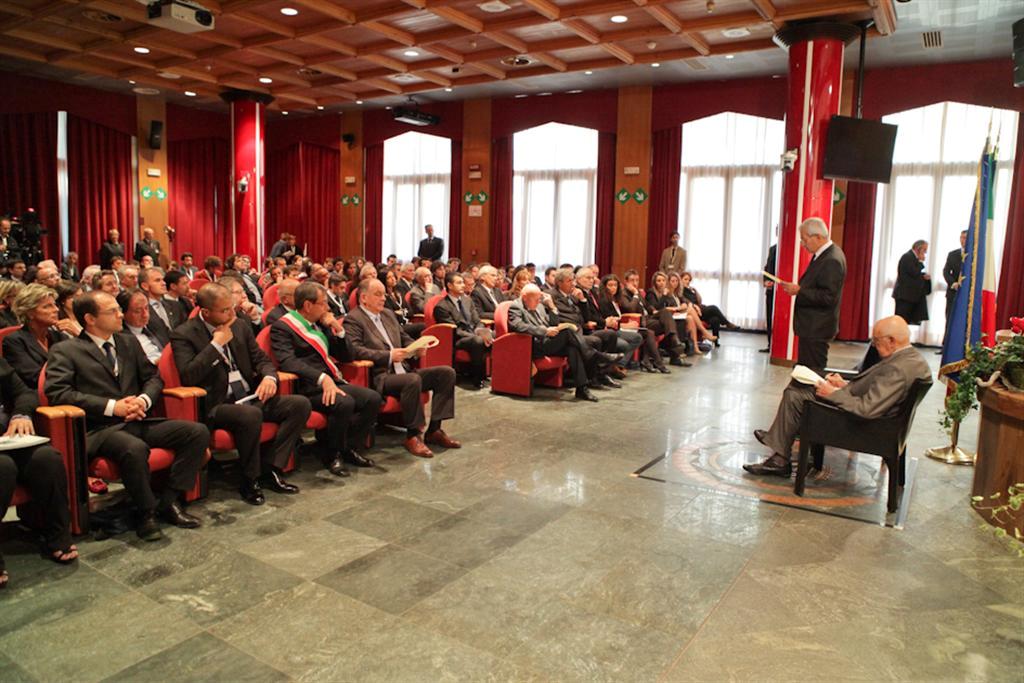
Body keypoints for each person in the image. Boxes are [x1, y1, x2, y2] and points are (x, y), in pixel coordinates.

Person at [45, 291, 210, 541]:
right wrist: (113, 407)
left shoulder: (127, 342)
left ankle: (169, 500)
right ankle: (146, 513)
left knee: (196, 432)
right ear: (90, 318)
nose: (120, 315)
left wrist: (143, 400)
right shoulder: (66, 350)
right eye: (112, 311)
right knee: (134, 448)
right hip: (101, 428)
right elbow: (58, 393)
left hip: (137, 417)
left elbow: (153, 378)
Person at [171, 283, 312, 505]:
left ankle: (270, 467)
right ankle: (250, 479)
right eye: (224, 310)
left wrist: (269, 377)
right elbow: (189, 375)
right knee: (250, 415)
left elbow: (261, 360)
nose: (231, 313)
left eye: (232, 307)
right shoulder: (184, 334)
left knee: (299, 404)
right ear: (205, 312)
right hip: (216, 404)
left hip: (248, 396)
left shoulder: (239, 326)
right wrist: (216, 345)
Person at [744, 316, 931, 477]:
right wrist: (846, 386)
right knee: (800, 386)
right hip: (882, 420)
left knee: (794, 396)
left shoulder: (898, 369)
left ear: (891, 340)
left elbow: (866, 409)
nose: (874, 345)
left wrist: (834, 393)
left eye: (876, 341)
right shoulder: (911, 359)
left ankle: (780, 455)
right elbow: (880, 393)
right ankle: (779, 441)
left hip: (868, 428)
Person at [271, 282, 381, 476]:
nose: (327, 308)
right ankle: (332, 454)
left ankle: (348, 447)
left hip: (332, 381)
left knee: (372, 399)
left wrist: (339, 330)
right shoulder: (282, 327)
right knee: (344, 403)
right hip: (307, 387)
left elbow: (346, 357)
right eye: (323, 303)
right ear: (308, 305)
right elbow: (288, 362)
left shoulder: (320, 324)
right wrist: (321, 378)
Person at [344, 278, 459, 458]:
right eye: (378, 294)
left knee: (446, 373)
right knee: (412, 380)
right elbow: (356, 350)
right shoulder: (353, 319)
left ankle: (434, 430)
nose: (383, 298)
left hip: (404, 369)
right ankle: (413, 435)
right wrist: (389, 356)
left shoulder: (388, 314)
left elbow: (404, 337)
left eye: (384, 294)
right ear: (364, 298)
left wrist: (416, 347)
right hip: (381, 375)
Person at [0, 355, 78, 587]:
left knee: (47, 459)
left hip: (7, 438)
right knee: (3, 468)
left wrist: (21, 414)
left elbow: (25, 393)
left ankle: (57, 535)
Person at [508, 284, 601, 402]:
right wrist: (544, 331)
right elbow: (518, 326)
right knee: (568, 332)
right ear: (525, 297)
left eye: (539, 299)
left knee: (572, 348)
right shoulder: (515, 307)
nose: (538, 302)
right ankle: (593, 354)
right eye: (535, 299)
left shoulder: (539, 306)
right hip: (532, 345)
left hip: (546, 342)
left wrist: (552, 307)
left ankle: (581, 388)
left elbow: (553, 323)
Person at [779, 217, 846, 372]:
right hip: (811, 326)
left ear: (818, 237)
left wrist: (799, 291)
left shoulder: (832, 259)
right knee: (806, 369)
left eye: (804, 239)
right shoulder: (823, 255)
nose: (803, 244)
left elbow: (828, 297)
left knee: (813, 371)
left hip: (817, 327)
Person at [3, 283, 79, 388]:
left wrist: (78, 335)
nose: (56, 309)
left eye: (54, 304)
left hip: (66, 388)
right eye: (47, 306)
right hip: (38, 392)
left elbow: (83, 366)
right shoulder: (14, 341)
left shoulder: (60, 337)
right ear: (30, 313)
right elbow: (34, 377)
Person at [432, 272, 491, 388]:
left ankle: (497, 375)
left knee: (495, 335)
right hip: (456, 339)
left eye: (463, 282)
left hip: (472, 333)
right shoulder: (442, 306)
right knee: (478, 341)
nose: (463, 285)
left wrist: (481, 331)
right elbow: (454, 330)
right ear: (449, 285)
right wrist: (476, 335)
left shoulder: (467, 300)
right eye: (459, 283)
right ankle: (477, 378)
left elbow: (477, 320)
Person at [599, 274, 668, 374]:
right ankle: (622, 364)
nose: (613, 288)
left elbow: (647, 306)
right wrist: (624, 324)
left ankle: (647, 361)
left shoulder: (615, 298)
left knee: (649, 332)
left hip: (628, 323)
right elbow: (613, 318)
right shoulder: (606, 300)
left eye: (615, 285)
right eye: (610, 285)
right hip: (613, 329)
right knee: (644, 334)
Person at [679, 271, 738, 342]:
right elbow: (685, 301)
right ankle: (727, 323)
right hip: (694, 312)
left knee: (715, 319)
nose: (688, 281)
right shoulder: (680, 291)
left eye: (689, 280)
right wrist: (694, 306)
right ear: (680, 280)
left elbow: (699, 300)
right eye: (685, 279)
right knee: (713, 307)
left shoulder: (691, 289)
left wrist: (695, 291)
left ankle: (716, 340)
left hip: (700, 309)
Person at [118, 289, 166, 365]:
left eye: (146, 308)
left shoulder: (157, 323)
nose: (145, 315)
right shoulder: (121, 339)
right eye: (138, 311)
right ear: (123, 313)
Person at [892, 240, 931, 326]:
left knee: (906, 321)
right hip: (904, 295)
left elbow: (913, 275)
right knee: (901, 321)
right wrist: (921, 262)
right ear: (918, 248)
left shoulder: (912, 257)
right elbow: (914, 272)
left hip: (910, 295)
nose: (925, 252)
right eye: (924, 250)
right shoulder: (907, 257)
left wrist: (923, 276)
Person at [941, 230, 967, 350]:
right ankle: (945, 346)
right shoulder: (952, 254)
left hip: (967, 294)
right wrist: (953, 283)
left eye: (965, 238)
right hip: (952, 293)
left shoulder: (975, 255)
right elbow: (946, 271)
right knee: (949, 319)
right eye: (961, 237)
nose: (963, 240)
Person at [140, 267, 183, 337]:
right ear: (145, 286)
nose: (164, 283)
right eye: (157, 280)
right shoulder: (141, 310)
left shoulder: (176, 305)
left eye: (163, 280)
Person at [762, 242, 777, 353]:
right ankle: (770, 344)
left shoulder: (789, 249)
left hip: (783, 291)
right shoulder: (772, 249)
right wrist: (766, 281)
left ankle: (776, 345)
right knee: (769, 317)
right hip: (771, 290)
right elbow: (767, 268)